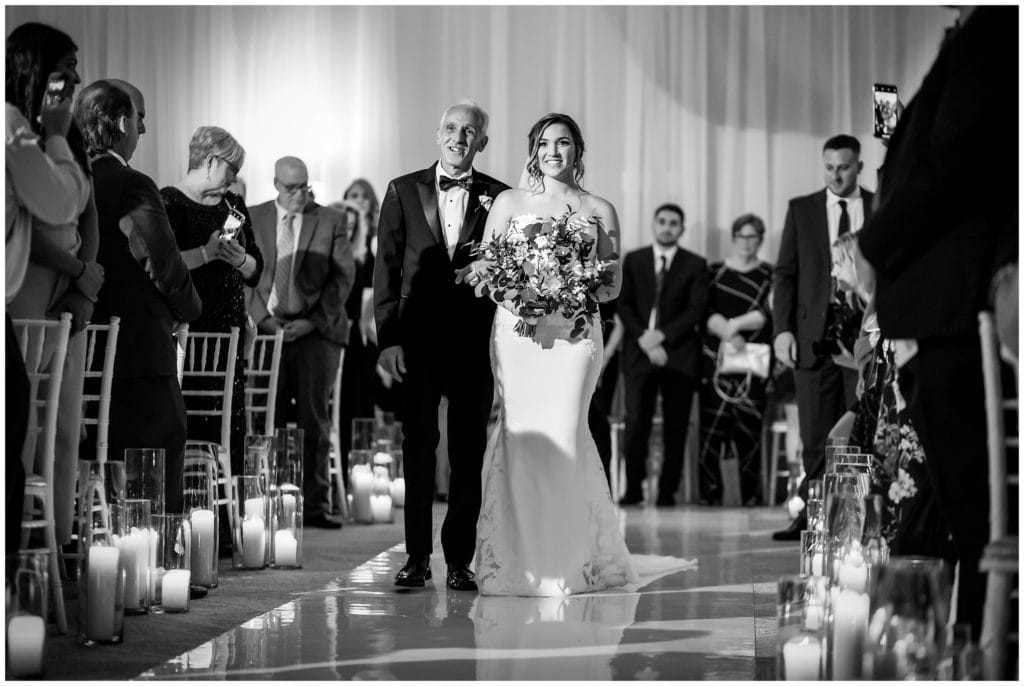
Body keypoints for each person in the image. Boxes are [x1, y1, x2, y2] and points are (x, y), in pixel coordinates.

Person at [459, 113, 695, 596]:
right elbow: (486, 267)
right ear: (533, 150)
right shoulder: (508, 202)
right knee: (522, 436)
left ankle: (568, 559)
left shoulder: (600, 209)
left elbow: (611, 287)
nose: (553, 151)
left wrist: (568, 284)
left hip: (575, 336)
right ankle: (519, 561)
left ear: (578, 151)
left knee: (566, 431)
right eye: (544, 143)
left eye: (563, 143)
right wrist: (525, 291)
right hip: (519, 334)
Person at [856, 6, 1017, 639]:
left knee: (978, 515)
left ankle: (985, 649)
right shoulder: (979, 33)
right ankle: (978, 641)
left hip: (955, 302)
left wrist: (874, 244)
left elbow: (953, 158)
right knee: (967, 510)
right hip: (939, 305)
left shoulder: (999, 28)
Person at [374, 101, 508, 591]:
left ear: (482, 143)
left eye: (469, 131)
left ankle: (458, 561)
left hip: (473, 342)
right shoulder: (402, 189)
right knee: (419, 448)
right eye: (451, 128)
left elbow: (504, 269)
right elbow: (385, 268)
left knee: (468, 452)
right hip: (416, 341)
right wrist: (388, 340)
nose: (458, 137)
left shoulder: (500, 197)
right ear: (437, 133)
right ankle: (414, 557)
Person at [76, 80, 201, 514]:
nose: (143, 131)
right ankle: (158, 559)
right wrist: (189, 309)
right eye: (141, 118)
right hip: (138, 349)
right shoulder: (131, 184)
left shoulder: (71, 179)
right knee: (160, 448)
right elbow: (163, 262)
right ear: (124, 121)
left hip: (77, 348)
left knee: (91, 461)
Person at [5, 22, 103, 545]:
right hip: (26, 286)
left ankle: (61, 544)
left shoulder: (63, 136)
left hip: (67, 292)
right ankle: (23, 551)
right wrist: (74, 270)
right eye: (66, 69)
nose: (75, 79)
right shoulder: (17, 129)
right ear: (37, 70)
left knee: (68, 428)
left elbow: (85, 210)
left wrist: (84, 283)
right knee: (21, 428)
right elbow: (36, 219)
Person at [771, 134, 874, 540]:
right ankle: (811, 516)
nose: (835, 174)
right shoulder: (802, 209)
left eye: (844, 167)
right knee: (815, 434)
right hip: (813, 336)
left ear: (859, 167)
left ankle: (854, 517)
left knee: (860, 429)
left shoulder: (879, 204)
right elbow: (785, 273)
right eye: (829, 166)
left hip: (864, 333)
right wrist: (781, 331)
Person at [246, 156, 354, 529]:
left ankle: (315, 505)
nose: (299, 194)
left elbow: (341, 280)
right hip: (265, 329)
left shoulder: (330, 220)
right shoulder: (252, 216)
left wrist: (311, 322)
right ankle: (267, 501)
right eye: (291, 187)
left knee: (314, 417)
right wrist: (264, 320)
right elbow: (243, 276)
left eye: (305, 186)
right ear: (276, 184)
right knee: (266, 417)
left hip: (317, 330)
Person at [161, 126, 263, 478]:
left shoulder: (234, 206)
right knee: (184, 419)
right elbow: (164, 265)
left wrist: (238, 259)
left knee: (229, 424)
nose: (235, 178)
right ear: (211, 160)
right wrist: (206, 253)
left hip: (228, 334)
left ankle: (225, 518)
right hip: (187, 332)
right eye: (231, 168)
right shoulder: (170, 202)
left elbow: (256, 268)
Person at [617, 203, 709, 507]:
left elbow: (696, 310)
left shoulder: (695, 264)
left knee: (676, 426)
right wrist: (646, 339)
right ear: (654, 224)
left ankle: (667, 493)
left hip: (678, 356)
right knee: (637, 423)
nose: (667, 227)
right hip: (639, 352)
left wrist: (663, 337)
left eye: (674, 223)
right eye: (663, 221)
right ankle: (633, 490)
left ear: (681, 229)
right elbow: (623, 304)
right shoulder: (634, 260)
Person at [697, 213, 772, 507]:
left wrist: (736, 326)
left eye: (752, 236)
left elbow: (768, 314)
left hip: (753, 364)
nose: (746, 242)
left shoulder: (770, 274)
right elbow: (703, 311)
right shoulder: (714, 272)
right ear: (733, 238)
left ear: (760, 240)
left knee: (749, 432)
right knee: (711, 431)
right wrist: (729, 333)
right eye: (741, 236)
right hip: (715, 361)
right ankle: (709, 495)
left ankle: (751, 496)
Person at [331, 179, 381, 488]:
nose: (348, 232)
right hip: (336, 334)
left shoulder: (364, 259)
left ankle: (358, 472)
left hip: (357, 339)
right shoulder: (331, 257)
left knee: (359, 402)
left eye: (353, 228)